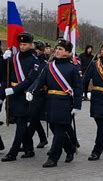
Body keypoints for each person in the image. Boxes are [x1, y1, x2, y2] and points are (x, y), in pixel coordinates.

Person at [27, 39, 82, 168]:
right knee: (54, 127)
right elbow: (40, 81)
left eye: (61, 49)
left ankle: (53, 158)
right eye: (56, 48)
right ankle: (69, 148)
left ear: (67, 52)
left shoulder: (73, 68)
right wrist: (31, 91)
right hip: (50, 101)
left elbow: (78, 88)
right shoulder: (49, 66)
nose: (57, 51)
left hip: (64, 102)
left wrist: (77, 105)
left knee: (59, 130)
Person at [1, 32, 40, 162]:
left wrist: (14, 90)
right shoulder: (15, 57)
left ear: (31, 45)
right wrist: (4, 58)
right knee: (19, 122)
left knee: (21, 124)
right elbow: (5, 71)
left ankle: (13, 152)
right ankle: (29, 149)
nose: (22, 46)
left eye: (25, 44)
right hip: (13, 95)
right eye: (20, 44)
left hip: (24, 95)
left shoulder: (34, 60)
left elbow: (30, 80)